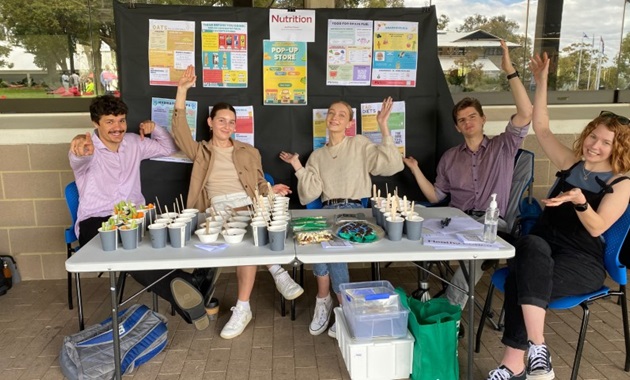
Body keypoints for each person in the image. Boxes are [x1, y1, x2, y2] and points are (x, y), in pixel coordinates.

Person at [485, 52, 630, 380]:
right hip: (544, 249)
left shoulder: (621, 184)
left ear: (618, 147)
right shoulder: (573, 164)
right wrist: (542, 80)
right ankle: (538, 350)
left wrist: (581, 201)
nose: (594, 145)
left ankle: (514, 365)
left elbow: (597, 228)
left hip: (581, 262)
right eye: (593, 136)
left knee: (521, 277)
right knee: (531, 246)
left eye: (606, 142)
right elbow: (542, 126)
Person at [173, 65, 303, 340]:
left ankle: (243, 308)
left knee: (249, 225)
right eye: (222, 121)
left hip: (247, 204)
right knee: (249, 231)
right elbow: (179, 130)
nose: (227, 126)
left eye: (232, 122)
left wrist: (270, 189)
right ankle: (277, 269)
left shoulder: (248, 151)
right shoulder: (200, 150)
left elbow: (258, 185)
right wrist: (182, 91)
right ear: (210, 122)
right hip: (215, 209)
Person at [69, 95, 219, 331]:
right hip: (97, 222)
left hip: (136, 218)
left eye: (121, 120)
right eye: (109, 122)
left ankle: (188, 292)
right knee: (130, 252)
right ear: (95, 123)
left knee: (159, 240)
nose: (117, 127)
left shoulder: (133, 142)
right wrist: (80, 148)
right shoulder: (87, 148)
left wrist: (155, 128)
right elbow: (78, 159)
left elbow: (168, 147)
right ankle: (189, 283)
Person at [402, 40, 532, 313]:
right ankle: (424, 294)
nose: (467, 122)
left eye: (472, 116)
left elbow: (526, 113)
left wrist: (510, 72)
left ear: (483, 119)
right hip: (457, 222)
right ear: (457, 126)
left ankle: (449, 316)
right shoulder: (450, 157)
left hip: (492, 224)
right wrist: (414, 169)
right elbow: (435, 196)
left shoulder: (504, 146)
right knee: (412, 236)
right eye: (462, 119)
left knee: (469, 263)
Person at [280, 97, 404, 338]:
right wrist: (297, 164)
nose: (334, 117)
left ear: (349, 122)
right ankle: (335, 304)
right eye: (331, 112)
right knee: (318, 244)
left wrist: (383, 125)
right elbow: (310, 193)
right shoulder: (317, 155)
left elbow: (391, 166)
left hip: (356, 212)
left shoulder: (359, 144)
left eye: (341, 114)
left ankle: (330, 302)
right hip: (326, 211)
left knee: (332, 249)